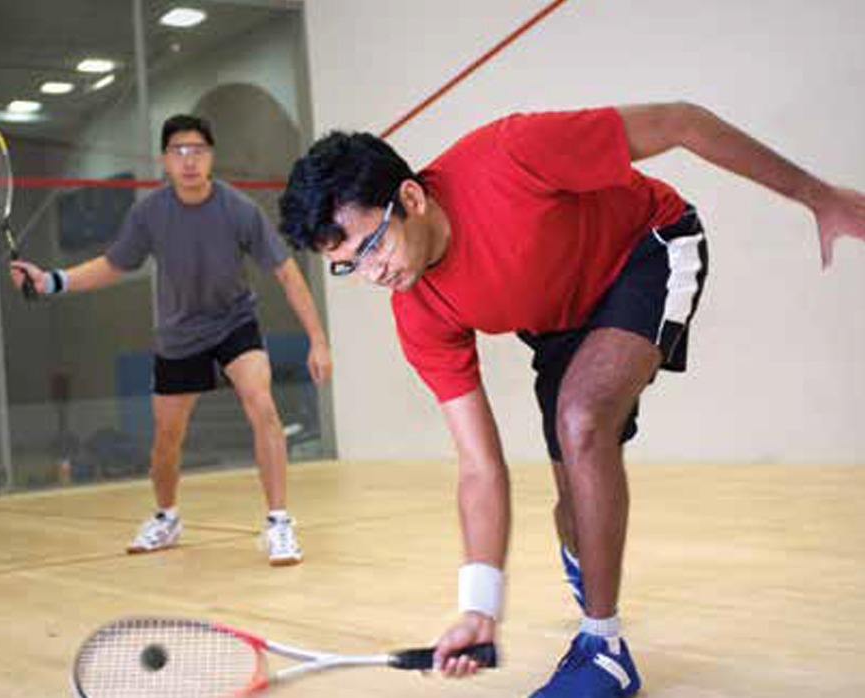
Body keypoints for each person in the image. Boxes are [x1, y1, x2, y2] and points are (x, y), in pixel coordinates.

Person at [278, 102, 865, 696]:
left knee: (581, 420)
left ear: (410, 198)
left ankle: (604, 648)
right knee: (575, 505)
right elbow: (479, 466)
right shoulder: (417, 312)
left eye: (373, 246)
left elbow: (681, 122)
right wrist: (480, 607)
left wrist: (817, 196)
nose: (373, 273)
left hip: (648, 249)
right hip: (560, 324)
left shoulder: (510, 154)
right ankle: (586, 554)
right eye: (349, 266)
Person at [11, 114, 332, 566]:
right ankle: (167, 517)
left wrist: (317, 339)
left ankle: (279, 523)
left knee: (262, 405)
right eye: (179, 151)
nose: (189, 160)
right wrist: (52, 281)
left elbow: (287, 272)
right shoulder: (149, 214)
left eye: (198, 151)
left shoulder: (239, 209)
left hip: (235, 324)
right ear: (165, 160)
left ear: (211, 157)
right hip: (179, 336)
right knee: (166, 437)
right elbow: (114, 265)